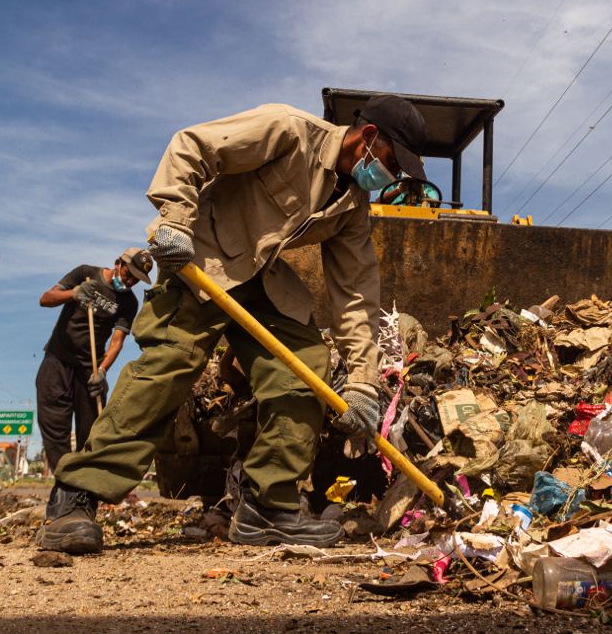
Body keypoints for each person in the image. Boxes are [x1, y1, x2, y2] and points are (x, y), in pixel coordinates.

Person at [38, 95, 427, 554]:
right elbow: (193, 146)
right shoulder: (289, 130)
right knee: (170, 368)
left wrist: (362, 382)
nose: (390, 175)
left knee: (303, 367)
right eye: (391, 161)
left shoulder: (351, 205)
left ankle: (268, 506)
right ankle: (73, 499)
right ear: (369, 137)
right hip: (200, 259)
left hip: (262, 280)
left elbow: (357, 295)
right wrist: (176, 220)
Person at [35, 249, 153, 473]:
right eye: (129, 275)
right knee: (54, 424)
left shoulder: (129, 303)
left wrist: (102, 370)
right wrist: (74, 293)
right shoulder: (85, 273)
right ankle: (63, 479)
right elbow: (46, 299)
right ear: (118, 263)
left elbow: (116, 342)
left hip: (90, 368)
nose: (130, 282)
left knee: (91, 431)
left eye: (136, 280)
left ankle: (85, 483)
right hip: (58, 360)